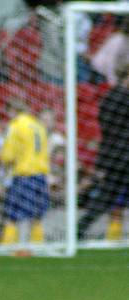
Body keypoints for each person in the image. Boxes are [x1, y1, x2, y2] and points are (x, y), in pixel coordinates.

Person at [78, 63, 129, 240]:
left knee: (106, 197)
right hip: (123, 157)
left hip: (113, 156)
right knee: (107, 197)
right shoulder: (122, 97)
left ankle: (80, 228)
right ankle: (80, 229)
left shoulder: (109, 97)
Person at [0, 97, 50, 246]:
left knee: (13, 214)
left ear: (13, 110)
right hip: (40, 174)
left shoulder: (16, 125)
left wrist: (3, 159)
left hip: (24, 174)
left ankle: (9, 246)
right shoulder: (38, 126)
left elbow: (8, 155)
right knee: (37, 215)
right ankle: (37, 244)